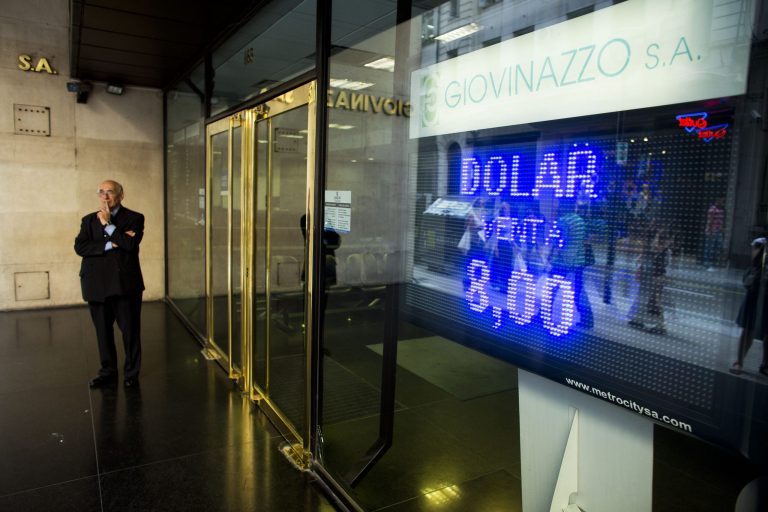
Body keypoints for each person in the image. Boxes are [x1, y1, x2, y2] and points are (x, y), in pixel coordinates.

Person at [75, 180, 144, 388]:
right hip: (96, 285)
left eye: (110, 192)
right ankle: (107, 372)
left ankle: (131, 373)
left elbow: (130, 244)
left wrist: (108, 225)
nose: (105, 196)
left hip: (124, 286)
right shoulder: (88, 220)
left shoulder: (135, 218)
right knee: (103, 333)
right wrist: (112, 243)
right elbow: (80, 247)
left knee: (130, 332)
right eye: (101, 192)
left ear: (121, 195)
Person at [730, 238, 768, 376]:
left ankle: (765, 363)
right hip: (754, 299)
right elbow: (747, 282)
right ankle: (739, 361)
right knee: (747, 332)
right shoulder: (755, 266)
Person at [703, 197, 724, 271]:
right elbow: (710, 220)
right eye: (721, 201)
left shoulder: (720, 210)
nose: (722, 202)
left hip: (717, 231)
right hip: (712, 231)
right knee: (709, 248)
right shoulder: (713, 209)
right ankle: (707, 264)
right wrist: (709, 230)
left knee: (717, 246)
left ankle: (711, 263)